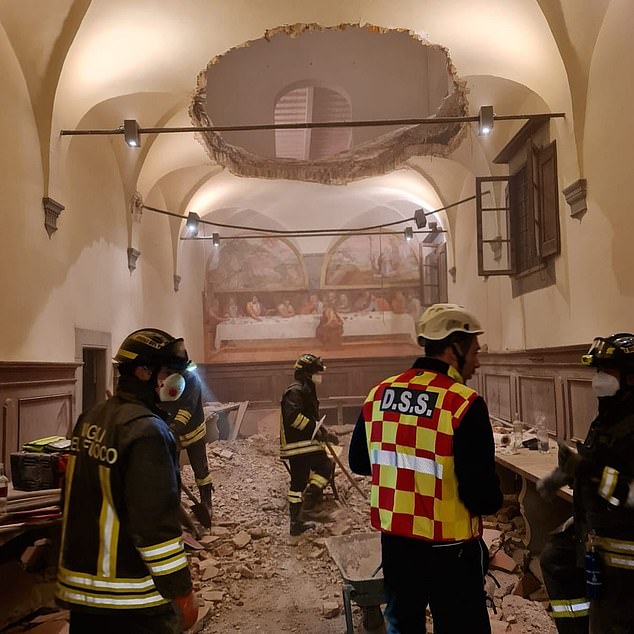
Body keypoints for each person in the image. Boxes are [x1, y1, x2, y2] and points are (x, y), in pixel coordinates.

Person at [348, 303, 503, 633]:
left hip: (397, 544)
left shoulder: (378, 394)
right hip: (451, 550)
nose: (477, 360)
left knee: (404, 626)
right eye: (474, 350)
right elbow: (481, 497)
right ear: (453, 348)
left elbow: (359, 462)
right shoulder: (462, 403)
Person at [57, 328, 198, 634]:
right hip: (130, 598)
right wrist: (181, 591)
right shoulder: (147, 431)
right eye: (169, 371)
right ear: (144, 372)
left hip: (83, 594)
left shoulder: (90, 418)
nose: (176, 380)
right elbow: (155, 524)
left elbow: (69, 496)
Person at [538, 333, 634, 634]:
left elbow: (629, 492)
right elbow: (601, 459)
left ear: (631, 377)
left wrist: (587, 471)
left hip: (624, 547)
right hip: (596, 529)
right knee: (556, 559)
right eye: (597, 371)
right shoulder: (609, 415)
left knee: (611, 621)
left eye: (607, 371)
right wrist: (567, 472)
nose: (599, 379)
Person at [280, 354, 338, 536]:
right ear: (305, 373)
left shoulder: (305, 390)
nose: (318, 376)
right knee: (325, 467)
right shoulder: (295, 392)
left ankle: (297, 523)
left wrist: (325, 433)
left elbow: (310, 418)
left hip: (303, 444)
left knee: (297, 485)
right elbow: (293, 418)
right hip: (300, 445)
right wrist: (317, 430)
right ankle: (309, 505)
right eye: (315, 372)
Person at [160, 361, 214, 516]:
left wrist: (173, 427)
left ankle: (206, 503)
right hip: (171, 434)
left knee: (200, 468)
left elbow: (187, 408)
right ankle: (174, 505)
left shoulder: (191, 379)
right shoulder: (162, 377)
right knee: (172, 470)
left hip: (193, 431)